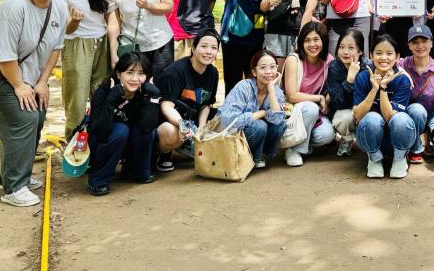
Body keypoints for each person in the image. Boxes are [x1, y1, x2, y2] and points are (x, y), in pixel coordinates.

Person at [0, 0, 68, 207]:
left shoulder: (59, 7)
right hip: (1, 77)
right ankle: (13, 187)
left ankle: (14, 175)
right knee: (25, 118)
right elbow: (5, 56)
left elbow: (56, 48)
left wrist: (42, 83)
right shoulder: (13, 8)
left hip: (32, 78)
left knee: (38, 114)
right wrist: (20, 86)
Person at [56, 0, 113, 139]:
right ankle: (74, 143)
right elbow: (66, 30)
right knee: (77, 99)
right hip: (77, 44)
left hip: (102, 42)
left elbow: (111, 14)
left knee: (101, 95)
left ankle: (97, 141)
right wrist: (75, 21)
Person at [86, 52, 160, 196]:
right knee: (120, 130)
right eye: (130, 72)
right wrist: (111, 99)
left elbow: (147, 127)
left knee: (148, 132)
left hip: (127, 143)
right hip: (101, 142)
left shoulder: (144, 93)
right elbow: (100, 132)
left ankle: (135, 170)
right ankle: (99, 178)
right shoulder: (104, 92)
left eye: (141, 73)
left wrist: (154, 99)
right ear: (119, 74)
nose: (135, 79)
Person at [155, 29, 220, 172]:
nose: (208, 51)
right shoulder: (175, 72)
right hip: (172, 119)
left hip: (194, 117)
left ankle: (191, 145)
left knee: (225, 117)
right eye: (204, 46)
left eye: (213, 48)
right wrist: (183, 126)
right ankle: (165, 154)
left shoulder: (213, 73)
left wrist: (202, 129)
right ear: (193, 48)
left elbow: (206, 105)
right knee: (171, 132)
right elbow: (166, 106)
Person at [353, 34, 416, 179]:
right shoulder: (363, 77)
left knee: (401, 119)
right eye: (379, 53)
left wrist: (383, 88)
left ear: (397, 56)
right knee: (371, 118)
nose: (383, 58)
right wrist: (374, 89)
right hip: (369, 137)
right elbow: (357, 115)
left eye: (389, 53)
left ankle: (399, 158)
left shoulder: (402, 79)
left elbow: (389, 117)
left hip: (396, 137)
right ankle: (374, 158)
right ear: (371, 55)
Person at [280, 21, 335, 166]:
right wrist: (318, 98)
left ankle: (300, 141)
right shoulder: (294, 59)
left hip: (313, 115)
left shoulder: (329, 61)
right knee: (311, 108)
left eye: (316, 39)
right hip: (291, 112)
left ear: (323, 41)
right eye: (307, 40)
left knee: (327, 135)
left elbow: (332, 89)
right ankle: (294, 150)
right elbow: (291, 95)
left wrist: (326, 100)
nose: (312, 44)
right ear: (301, 42)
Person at [219, 50, 287, 168]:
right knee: (260, 125)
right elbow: (229, 121)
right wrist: (262, 112)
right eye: (263, 68)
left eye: (272, 67)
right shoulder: (243, 87)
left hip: (254, 134)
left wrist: (271, 88)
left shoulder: (277, 92)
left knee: (280, 124)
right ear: (254, 72)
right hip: (233, 135)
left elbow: (277, 120)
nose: (268, 72)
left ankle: (260, 155)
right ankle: (252, 157)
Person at [402, 24, 434, 163]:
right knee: (417, 110)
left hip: (433, 113)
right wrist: (401, 72)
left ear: (431, 43)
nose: (420, 46)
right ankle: (415, 147)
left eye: (424, 41)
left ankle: (429, 139)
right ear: (409, 45)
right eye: (415, 42)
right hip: (412, 113)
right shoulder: (401, 65)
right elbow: (383, 64)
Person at [326, 28, 373, 156]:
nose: (345, 52)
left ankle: (369, 141)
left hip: (365, 111)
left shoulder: (369, 67)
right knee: (344, 118)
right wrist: (349, 81)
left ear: (360, 51)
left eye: (351, 48)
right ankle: (346, 140)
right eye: (341, 47)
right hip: (345, 111)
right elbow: (337, 103)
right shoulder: (334, 67)